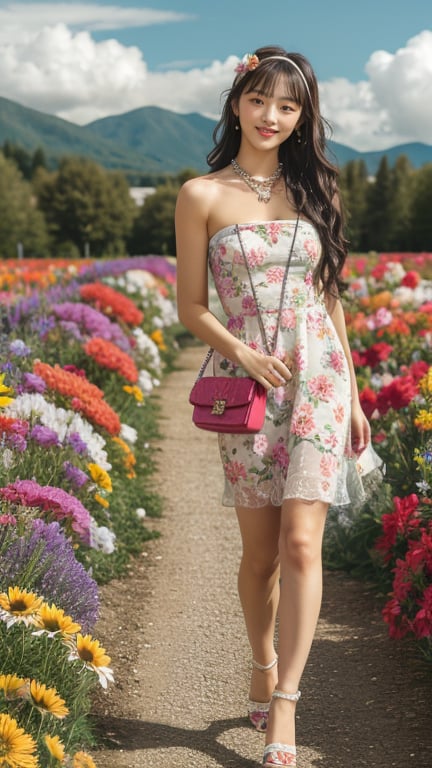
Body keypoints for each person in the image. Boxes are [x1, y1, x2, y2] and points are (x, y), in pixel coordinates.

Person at [175, 45, 381, 767]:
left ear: (303, 117)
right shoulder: (201, 195)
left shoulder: (315, 191)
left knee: (301, 543)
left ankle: (285, 705)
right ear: (238, 102)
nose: (272, 116)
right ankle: (260, 663)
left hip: (319, 380)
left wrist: (351, 392)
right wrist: (243, 354)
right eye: (260, 100)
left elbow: (330, 301)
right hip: (249, 385)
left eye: (288, 106)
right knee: (259, 556)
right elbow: (191, 307)